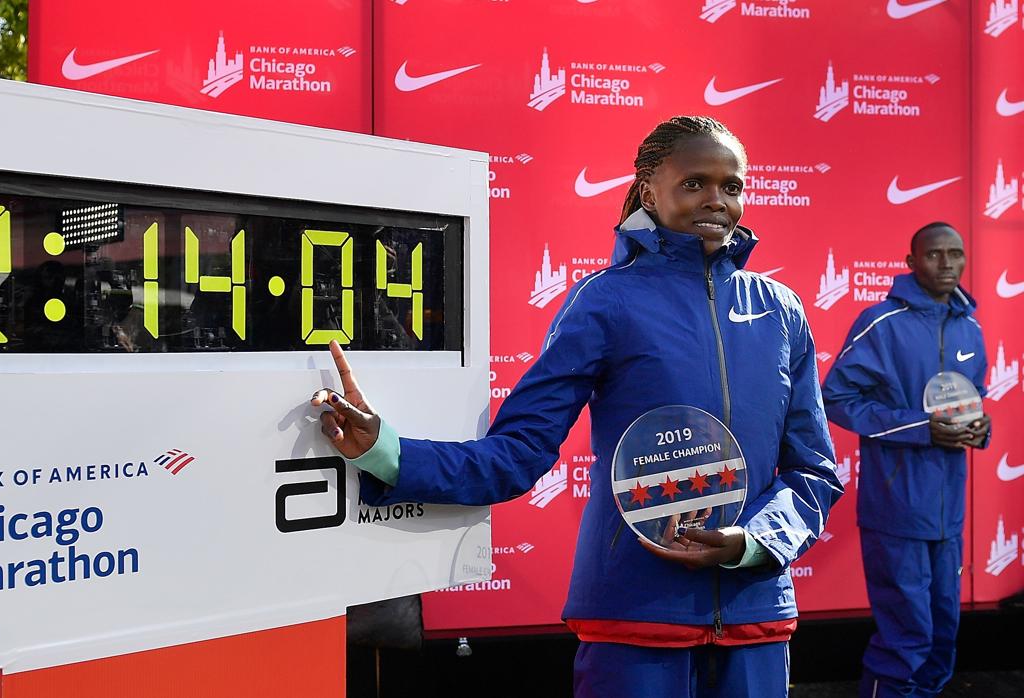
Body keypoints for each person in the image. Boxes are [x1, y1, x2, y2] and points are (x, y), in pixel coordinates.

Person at [312, 115, 843, 697]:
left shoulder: (780, 309)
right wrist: (387, 452)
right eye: (694, 183)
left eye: (732, 185)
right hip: (635, 617)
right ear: (649, 190)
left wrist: (756, 543)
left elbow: (812, 471)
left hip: (756, 618)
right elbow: (518, 453)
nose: (716, 200)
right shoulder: (607, 301)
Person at [821, 222, 990, 698]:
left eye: (956, 254)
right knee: (906, 638)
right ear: (911, 261)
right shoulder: (881, 322)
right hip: (896, 509)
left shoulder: (970, 326)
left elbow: (970, 401)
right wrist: (921, 428)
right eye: (935, 255)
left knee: (941, 635)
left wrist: (981, 428)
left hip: (947, 513)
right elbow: (836, 398)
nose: (948, 264)